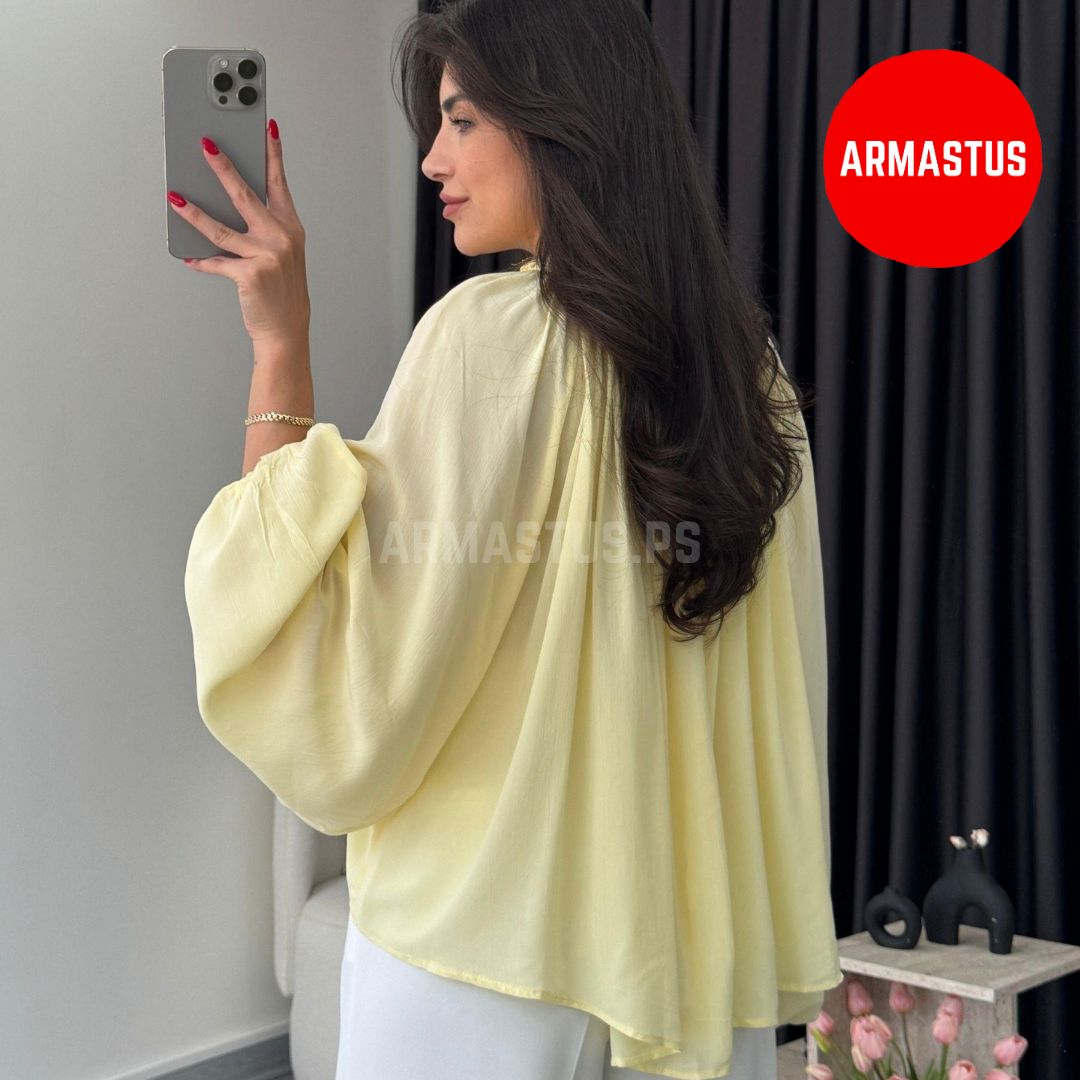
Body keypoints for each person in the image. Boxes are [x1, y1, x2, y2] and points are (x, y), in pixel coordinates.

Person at [179, 0, 843, 1076]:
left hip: (476, 949)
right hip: (677, 954)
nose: (433, 160)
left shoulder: (485, 338)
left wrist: (278, 341)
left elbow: (325, 642)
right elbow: (777, 690)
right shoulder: (746, 369)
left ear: (562, 123)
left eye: (463, 121)